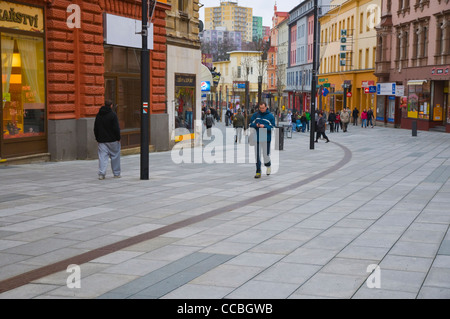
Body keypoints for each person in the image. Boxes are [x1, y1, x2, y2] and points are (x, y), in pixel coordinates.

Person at [94, 100, 121, 180]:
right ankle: (116, 173)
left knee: (102, 157)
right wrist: (118, 138)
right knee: (115, 156)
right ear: (111, 105)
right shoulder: (113, 115)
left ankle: (101, 174)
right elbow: (116, 128)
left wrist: (97, 138)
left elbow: (95, 128)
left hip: (102, 140)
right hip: (113, 140)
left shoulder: (99, 115)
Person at [250, 102, 275, 179]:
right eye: (260, 108)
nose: (261, 110)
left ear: (266, 107)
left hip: (266, 137)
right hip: (257, 137)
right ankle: (258, 171)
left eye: (263, 108)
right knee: (257, 155)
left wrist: (264, 126)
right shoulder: (256, 115)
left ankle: (268, 165)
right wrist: (256, 125)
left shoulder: (270, 116)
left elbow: (273, 127)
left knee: (265, 155)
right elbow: (250, 124)